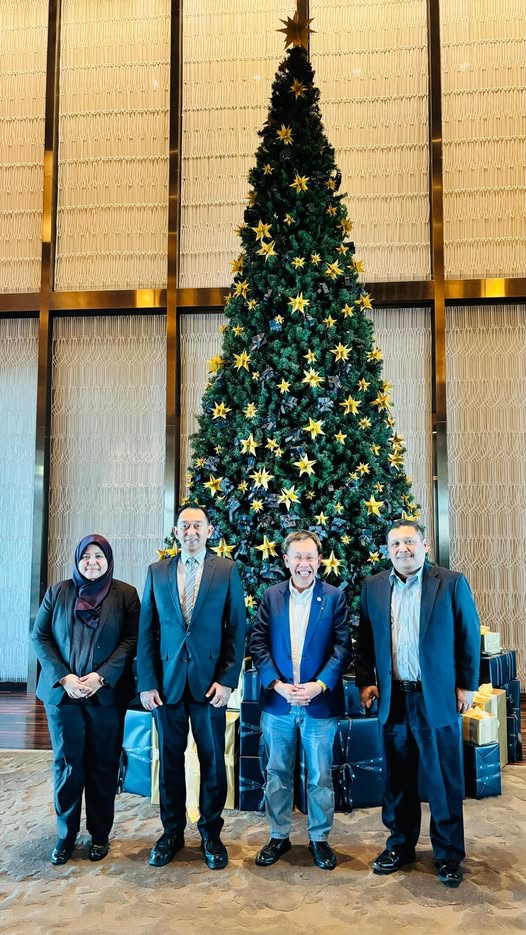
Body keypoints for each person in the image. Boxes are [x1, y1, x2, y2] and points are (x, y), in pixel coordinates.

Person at [356, 519, 480, 888]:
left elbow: (468, 635)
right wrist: (365, 681)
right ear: (387, 550)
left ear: (425, 546)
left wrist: (467, 686)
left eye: (409, 542)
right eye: (395, 544)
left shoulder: (451, 583)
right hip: (393, 697)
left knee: (443, 778)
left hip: (435, 697)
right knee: (397, 778)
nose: (403, 549)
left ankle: (448, 854)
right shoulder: (373, 587)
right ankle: (400, 845)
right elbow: (366, 639)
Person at [137, 504, 246, 870]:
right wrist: (147, 683)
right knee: (169, 762)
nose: (191, 531)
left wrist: (227, 681)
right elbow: (147, 632)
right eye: (185, 526)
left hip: (210, 686)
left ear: (209, 531)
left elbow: (236, 630)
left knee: (213, 760)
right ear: (176, 532)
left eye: (198, 525)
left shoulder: (226, 570)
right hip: (166, 687)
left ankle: (211, 833)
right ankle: (171, 832)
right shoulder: (157, 572)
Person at [32, 535, 140, 866]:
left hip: (106, 695)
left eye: (99, 556)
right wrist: (64, 678)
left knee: (103, 765)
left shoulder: (125, 594)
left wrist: (101, 676)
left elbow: (131, 639)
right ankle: (65, 836)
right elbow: (40, 636)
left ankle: (99, 835)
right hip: (63, 696)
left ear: (109, 560)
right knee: (68, 765)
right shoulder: (58, 592)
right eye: (86, 556)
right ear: (77, 560)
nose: (92, 562)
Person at [250, 530, 350, 871]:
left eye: (310, 557)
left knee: (319, 776)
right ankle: (278, 835)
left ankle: (319, 838)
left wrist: (319, 686)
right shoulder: (271, 596)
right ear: (286, 560)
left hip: (318, 704)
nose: (304, 563)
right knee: (276, 773)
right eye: (297, 557)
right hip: (279, 703)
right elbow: (258, 642)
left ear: (319, 561)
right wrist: (275, 684)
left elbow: (342, 648)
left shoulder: (334, 597)